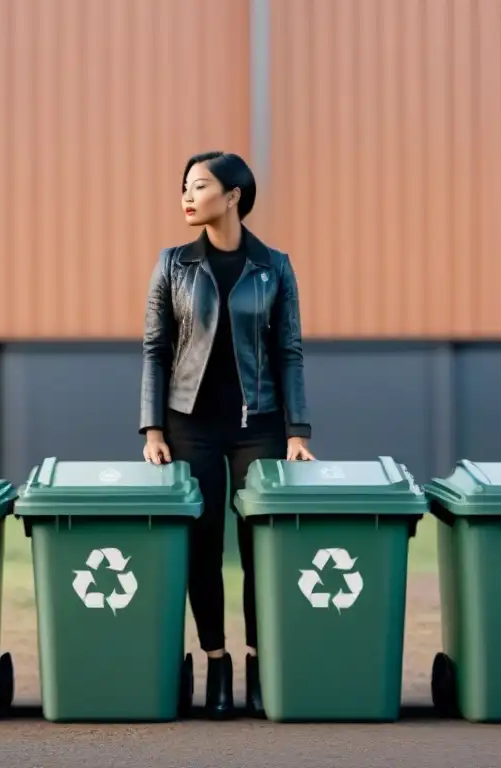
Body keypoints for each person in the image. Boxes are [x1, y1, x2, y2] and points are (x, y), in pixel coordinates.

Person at [139, 151, 314, 720]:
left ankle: (260, 665)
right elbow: (156, 350)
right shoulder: (173, 264)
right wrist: (152, 426)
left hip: (258, 427)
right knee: (201, 547)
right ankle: (217, 663)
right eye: (184, 187)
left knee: (260, 549)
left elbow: (289, 351)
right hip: (189, 428)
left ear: (234, 195)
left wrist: (297, 430)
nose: (187, 196)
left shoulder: (274, 266)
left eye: (199, 186)